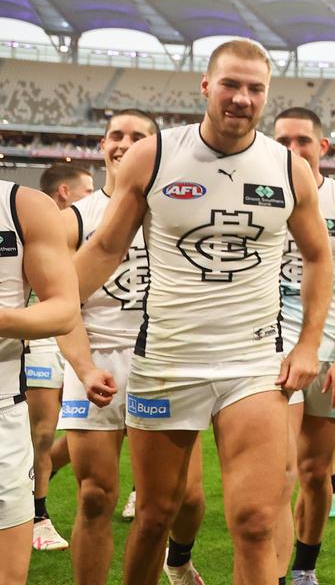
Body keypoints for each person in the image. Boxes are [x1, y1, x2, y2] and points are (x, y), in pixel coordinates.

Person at [74, 39, 333, 585]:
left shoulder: (288, 168)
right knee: (154, 517)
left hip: (252, 363)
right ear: (206, 86)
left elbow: (317, 256)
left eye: (255, 88)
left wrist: (309, 344)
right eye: (231, 85)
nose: (241, 98)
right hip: (167, 360)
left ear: (266, 94)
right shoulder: (155, 155)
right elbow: (104, 249)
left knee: (258, 521)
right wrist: (55, 308)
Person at [55, 109, 208, 585]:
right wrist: (82, 367)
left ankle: (177, 559)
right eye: (115, 135)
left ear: (154, 148)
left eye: (138, 136)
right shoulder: (73, 219)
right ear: (102, 145)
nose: (124, 143)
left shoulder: (176, 210)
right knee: (95, 496)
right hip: (95, 356)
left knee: (186, 498)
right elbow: (63, 305)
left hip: (165, 360)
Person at [271, 107, 335, 585]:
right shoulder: (261, 198)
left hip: (333, 356)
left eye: (302, 141)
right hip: (273, 354)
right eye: (282, 140)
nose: (292, 150)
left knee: (313, 473)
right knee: (281, 472)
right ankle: (271, 574)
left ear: (322, 147)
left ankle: (304, 571)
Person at [1, 177, 114, 585]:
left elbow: (64, 310)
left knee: (44, 434)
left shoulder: (23, 206)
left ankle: (40, 513)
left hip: (10, 393)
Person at [24, 164, 95, 551]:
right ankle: (38, 516)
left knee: (86, 428)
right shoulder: (31, 220)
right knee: (42, 432)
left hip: (78, 334)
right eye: (87, 190)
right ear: (65, 191)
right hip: (38, 337)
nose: (93, 195)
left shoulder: (88, 226)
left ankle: (26, 484)